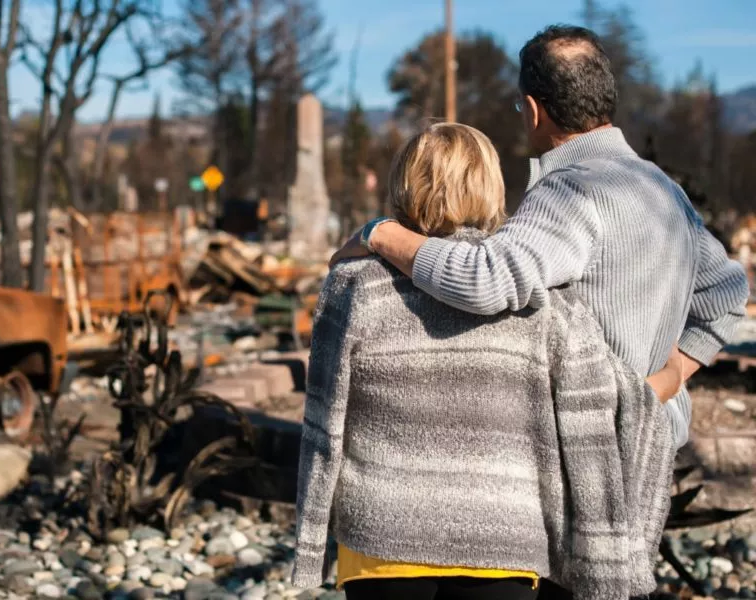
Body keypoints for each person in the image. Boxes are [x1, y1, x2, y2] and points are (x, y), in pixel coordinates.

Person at [292, 123, 678, 600]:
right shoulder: (543, 303)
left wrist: (310, 544)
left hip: (380, 536)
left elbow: (322, 424)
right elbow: (600, 407)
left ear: (402, 186)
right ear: (492, 189)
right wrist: (671, 376)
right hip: (506, 540)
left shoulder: (353, 285)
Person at [331, 25, 750, 452]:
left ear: (533, 110)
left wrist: (379, 233)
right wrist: (672, 375)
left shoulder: (571, 189)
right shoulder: (663, 189)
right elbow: (727, 293)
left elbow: (483, 280)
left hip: (594, 448)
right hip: (656, 438)